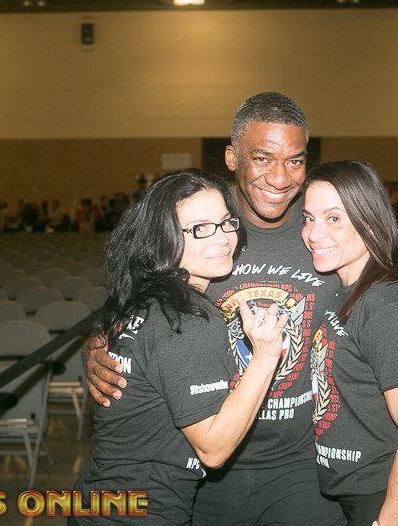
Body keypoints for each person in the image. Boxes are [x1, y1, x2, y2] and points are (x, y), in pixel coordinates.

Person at [84, 92, 346, 525]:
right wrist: (99, 341)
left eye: (295, 161)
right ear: (232, 157)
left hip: (297, 466)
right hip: (200, 475)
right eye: (262, 158)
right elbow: (135, 297)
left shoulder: (322, 227)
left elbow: (379, 292)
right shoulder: (194, 218)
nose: (280, 178)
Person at [72, 169, 287, 525]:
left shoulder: (142, 298)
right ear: (164, 239)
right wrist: (265, 356)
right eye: (200, 228)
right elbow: (213, 449)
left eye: (226, 222)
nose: (223, 238)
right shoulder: (185, 318)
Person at [303, 160, 398, 526]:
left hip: (397, 504)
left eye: (334, 218)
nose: (313, 233)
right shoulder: (344, 292)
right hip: (358, 496)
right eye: (308, 218)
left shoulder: (390, 309)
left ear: (370, 222)